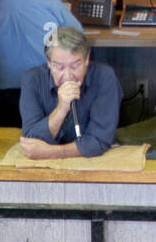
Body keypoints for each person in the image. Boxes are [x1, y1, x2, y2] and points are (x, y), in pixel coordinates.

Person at [19, 25, 122, 159]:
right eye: (59, 67)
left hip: (93, 163)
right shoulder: (32, 80)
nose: (68, 76)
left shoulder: (104, 77)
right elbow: (31, 141)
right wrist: (61, 109)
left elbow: (99, 141)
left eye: (75, 66)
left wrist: (51, 152)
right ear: (48, 62)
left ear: (86, 59)